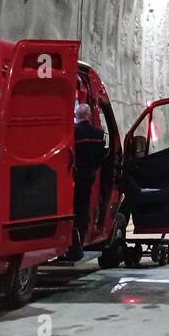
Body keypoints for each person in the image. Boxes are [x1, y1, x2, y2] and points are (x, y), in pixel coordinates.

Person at [67, 103, 107, 262]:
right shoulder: (98, 134)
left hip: (73, 177)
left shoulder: (73, 134)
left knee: (72, 210)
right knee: (82, 210)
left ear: (76, 116)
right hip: (89, 176)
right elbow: (102, 155)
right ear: (89, 115)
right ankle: (81, 240)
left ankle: (72, 244)